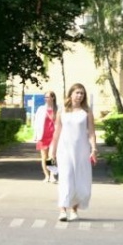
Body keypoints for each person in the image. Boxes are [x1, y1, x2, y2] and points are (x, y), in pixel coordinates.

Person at [52, 82, 97, 222]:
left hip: (81, 151)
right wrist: (52, 152)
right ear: (70, 94)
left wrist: (94, 149)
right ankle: (62, 210)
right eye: (77, 93)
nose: (79, 96)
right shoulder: (62, 111)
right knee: (66, 177)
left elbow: (91, 132)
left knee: (79, 179)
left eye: (82, 93)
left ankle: (74, 209)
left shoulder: (87, 112)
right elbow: (57, 132)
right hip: (64, 150)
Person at [34, 92, 58, 182]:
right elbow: (36, 123)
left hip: (54, 136)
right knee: (44, 157)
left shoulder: (58, 109)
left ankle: (52, 176)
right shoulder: (41, 109)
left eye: (48, 97)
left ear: (53, 98)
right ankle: (46, 176)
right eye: (45, 97)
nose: (46, 99)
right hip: (43, 136)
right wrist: (36, 135)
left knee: (51, 156)